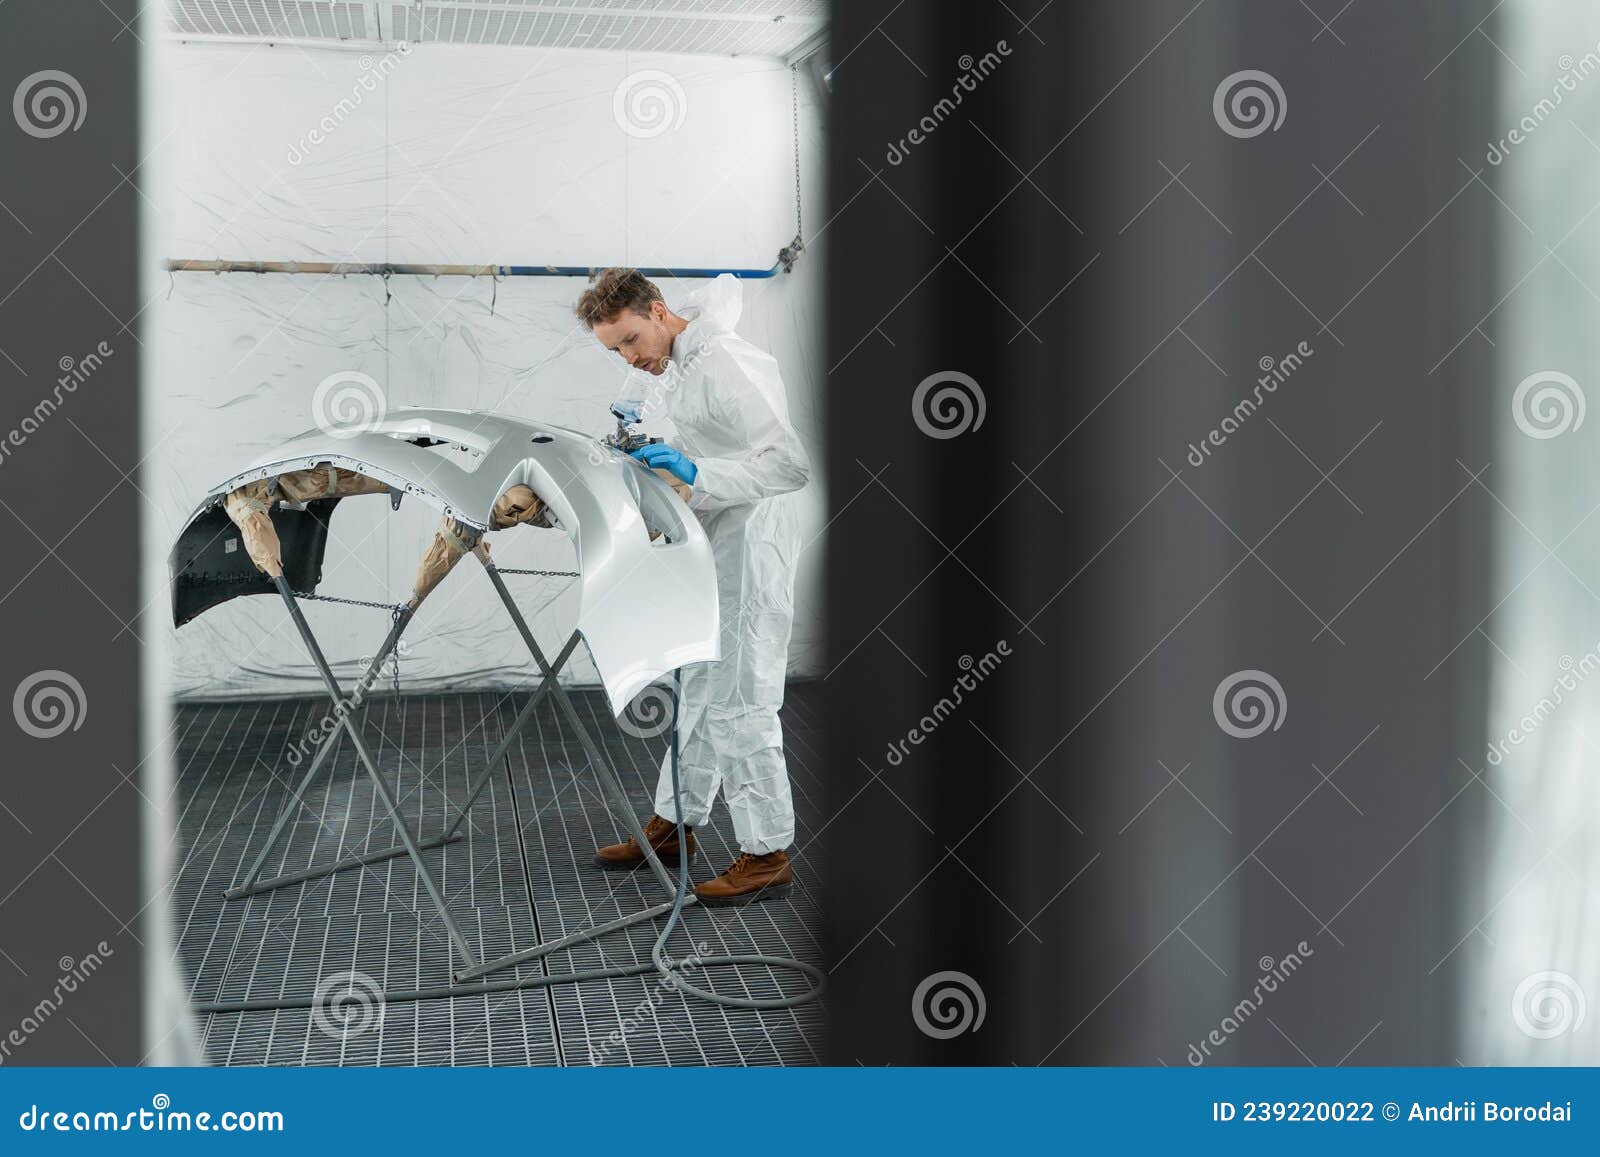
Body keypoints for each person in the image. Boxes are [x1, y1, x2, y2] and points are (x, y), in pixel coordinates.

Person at [574, 268, 811, 906]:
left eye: (629, 341)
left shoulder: (731, 361)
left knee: (743, 695)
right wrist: (656, 444)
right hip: (716, 540)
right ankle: (676, 824)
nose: (628, 358)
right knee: (702, 685)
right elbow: (698, 434)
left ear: (658, 311)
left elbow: (789, 464)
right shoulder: (675, 364)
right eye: (613, 351)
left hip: (754, 544)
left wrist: (691, 469)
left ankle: (767, 853)